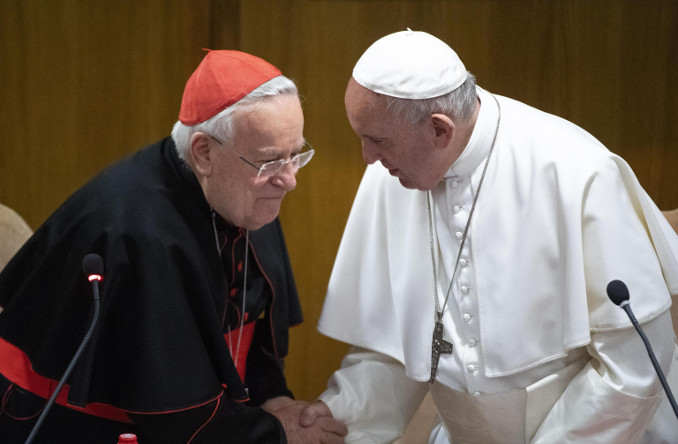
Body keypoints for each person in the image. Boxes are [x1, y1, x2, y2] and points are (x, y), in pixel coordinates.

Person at [303, 30, 678, 442]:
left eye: (378, 141)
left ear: (439, 131)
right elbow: (398, 348)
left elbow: (633, 364)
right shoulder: (391, 175)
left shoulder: (575, 170)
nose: (368, 158)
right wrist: (337, 417)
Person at [0, 49, 347, 443]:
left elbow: (246, 322)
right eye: (270, 162)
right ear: (203, 153)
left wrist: (273, 399)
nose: (289, 180)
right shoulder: (138, 233)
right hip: (71, 427)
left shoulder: (242, 193)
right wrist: (276, 433)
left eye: (295, 155)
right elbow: (175, 416)